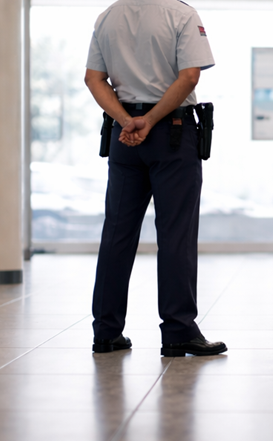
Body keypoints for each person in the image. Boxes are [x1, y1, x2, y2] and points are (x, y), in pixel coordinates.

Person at [84, 0, 226, 357]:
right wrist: (151, 120)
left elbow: (93, 79)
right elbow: (190, 75)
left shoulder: (107, 17)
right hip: (172, 134)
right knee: (175, 233)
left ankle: (106, 332)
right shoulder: (181, 14)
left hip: (124, 137)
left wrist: (126, 119)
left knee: (117, 233)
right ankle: (178, 331)